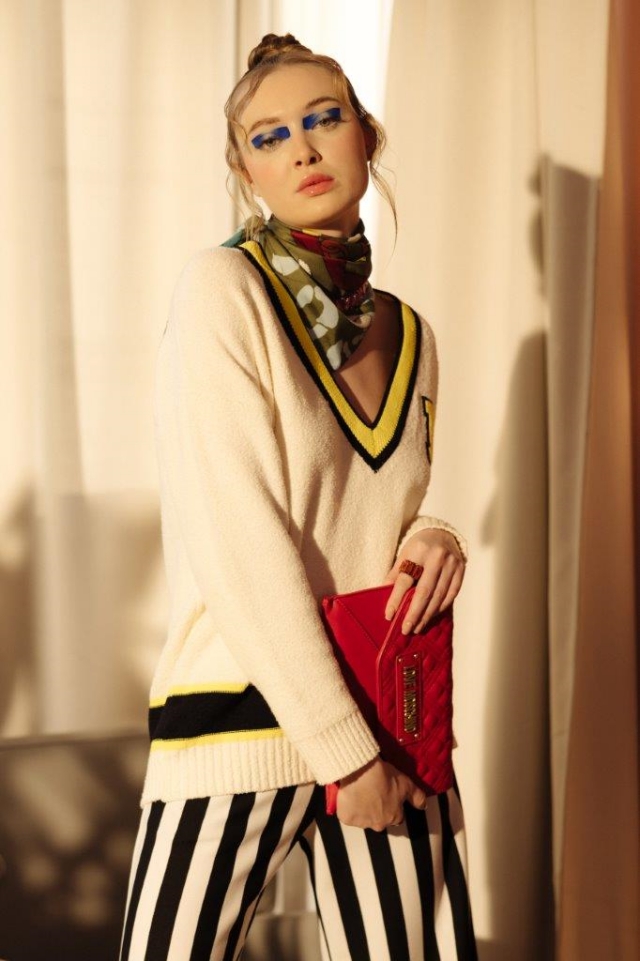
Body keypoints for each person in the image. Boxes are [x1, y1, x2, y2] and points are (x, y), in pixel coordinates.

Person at [119, 32, 478, 961]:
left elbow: (371, 508)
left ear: (368, 134)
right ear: (246, 170)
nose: (303, 149)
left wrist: (433, 533)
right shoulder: (222, 291)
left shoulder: (411, 333)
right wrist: (343, 753)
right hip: (240, 712)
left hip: (388, 708)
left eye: (324, 119)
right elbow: (235, 534)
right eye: (270, 136)